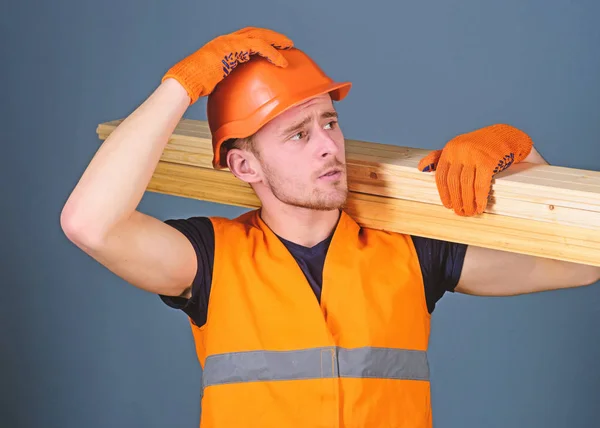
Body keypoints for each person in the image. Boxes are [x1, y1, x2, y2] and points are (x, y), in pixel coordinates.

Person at [61, 27, 600, 427]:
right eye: (297, 134)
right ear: (244, 166)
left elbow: (581, 262)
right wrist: (184, 84)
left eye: (330, 121)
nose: (327, 144)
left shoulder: (410, 251)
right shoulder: (209, 260)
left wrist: (517, 151)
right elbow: (89, 223)